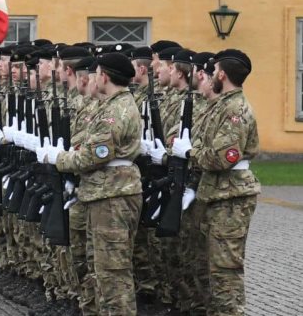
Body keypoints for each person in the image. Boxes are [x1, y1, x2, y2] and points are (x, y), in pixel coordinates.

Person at [39, 52, 143, 315]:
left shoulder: (116, 111)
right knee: (99, 268)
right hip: (102, 194)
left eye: (95, 74)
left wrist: (58, 158)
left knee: (113, 273)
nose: (91, 79)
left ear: (104, 77)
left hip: (113, 196)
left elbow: (94, 154)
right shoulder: (109, 105)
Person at [168, 49, 260, 315]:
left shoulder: (235, 110)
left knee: (225, 271)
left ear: (221, 73)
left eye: (213, 70)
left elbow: (222, 158)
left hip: (230, 197)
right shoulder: (220, 105)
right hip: (215, 193)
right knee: (205, 267)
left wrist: (188, 152)